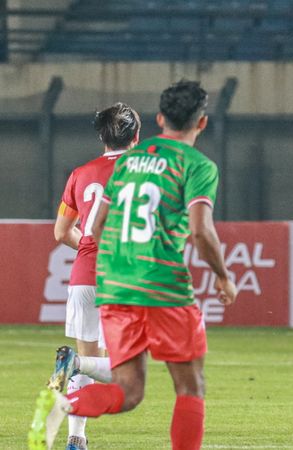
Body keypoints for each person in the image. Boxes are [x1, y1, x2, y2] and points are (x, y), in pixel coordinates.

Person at [29, 80, 238, 450]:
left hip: (113, 282)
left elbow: (93, 225)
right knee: (190, 386)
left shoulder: (126, 163)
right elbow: (201, 232)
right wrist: (223, 276)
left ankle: (62, 407)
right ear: (202, 123)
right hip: (162, 283)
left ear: (159, 119)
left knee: (128, 390)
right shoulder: (197, 165)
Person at [50, 102, 141, 450]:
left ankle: (77, 437)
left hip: (84, 277)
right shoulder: (143, 172)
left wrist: (90, 246)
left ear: (102, 136)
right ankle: (75, 364)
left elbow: (61, 232)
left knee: (90, 363)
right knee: (126, 371)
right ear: (136, 136)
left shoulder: (80, 173)